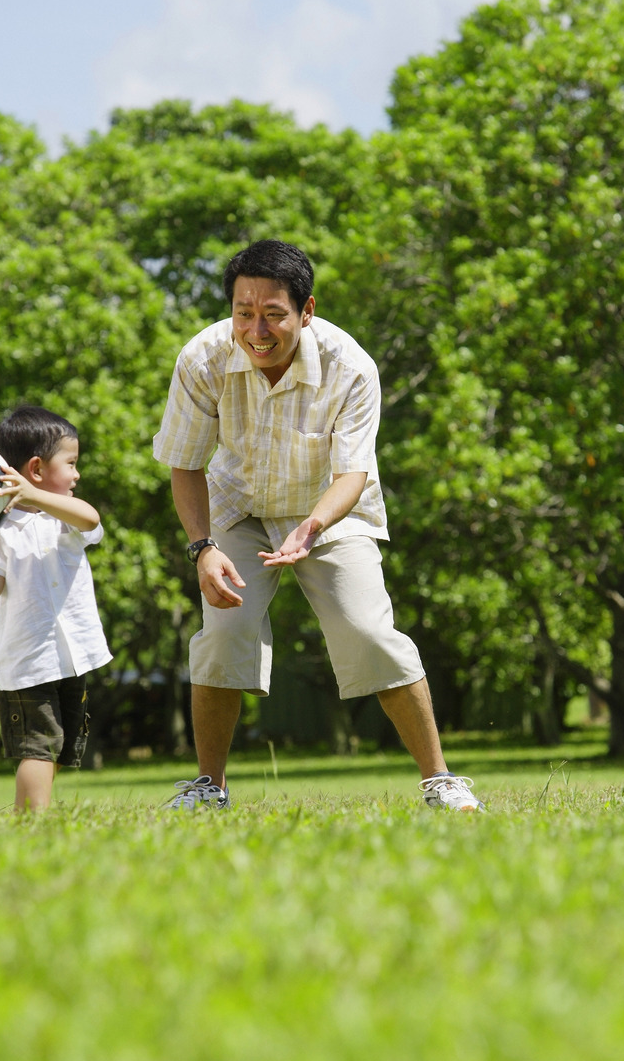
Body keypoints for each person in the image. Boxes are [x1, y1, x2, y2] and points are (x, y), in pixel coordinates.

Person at [154, 239, 484, 813]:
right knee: (223, 633)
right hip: (236, 507)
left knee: (368, 631)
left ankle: (441, 781)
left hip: (330, 510)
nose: (256, 330)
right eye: (243, 313)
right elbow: (185, 463)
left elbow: (352, 473)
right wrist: (202, 548)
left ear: (306, 312)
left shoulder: (351, 366)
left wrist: (311, 527)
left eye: (273, 315)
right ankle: (209, 787)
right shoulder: (202, 359)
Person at [0, 406, 112, 811]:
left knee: (56, 744)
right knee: (39, 746)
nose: (76, 475)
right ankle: (30, 822)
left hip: (71, 655)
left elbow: (91, 519)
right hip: (26, 658)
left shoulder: (65, 519)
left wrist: (36, 496)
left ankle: (30, 814)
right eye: (71, 464)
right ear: (36, 468)